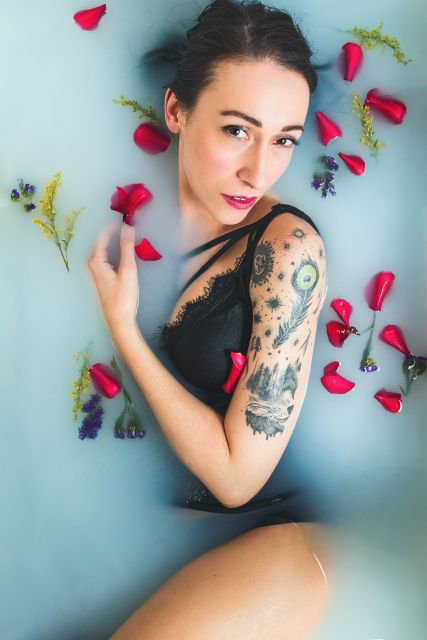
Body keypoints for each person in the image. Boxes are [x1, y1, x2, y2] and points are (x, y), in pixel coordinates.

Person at [87, 0, 335, 637]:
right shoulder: (133, 222)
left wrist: (123, 331)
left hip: (277, 540)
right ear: (176, 111)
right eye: (237, 131)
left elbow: (235, 480)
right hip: (173, 545)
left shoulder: (288, 250)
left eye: (284, 140)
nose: (260, 170)